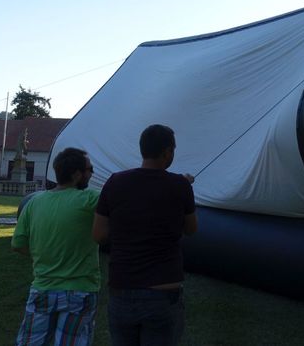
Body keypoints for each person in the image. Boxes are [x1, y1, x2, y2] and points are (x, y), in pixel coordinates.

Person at [92, 124, 197, 346]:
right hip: (164, 291)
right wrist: (183, 188)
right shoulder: (181, 185)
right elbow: (191, 229)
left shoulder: (115, 182)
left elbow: (99, 234)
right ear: (167, 152)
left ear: (143, 149)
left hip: (122, 288)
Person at [12, 147, 100, 346]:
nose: (92, 173)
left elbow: (18, 244)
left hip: (42, 289)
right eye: (90, 169)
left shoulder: (34, 203)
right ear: (76, 174)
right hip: (80, 292)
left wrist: (43, 255)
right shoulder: (91, 199)